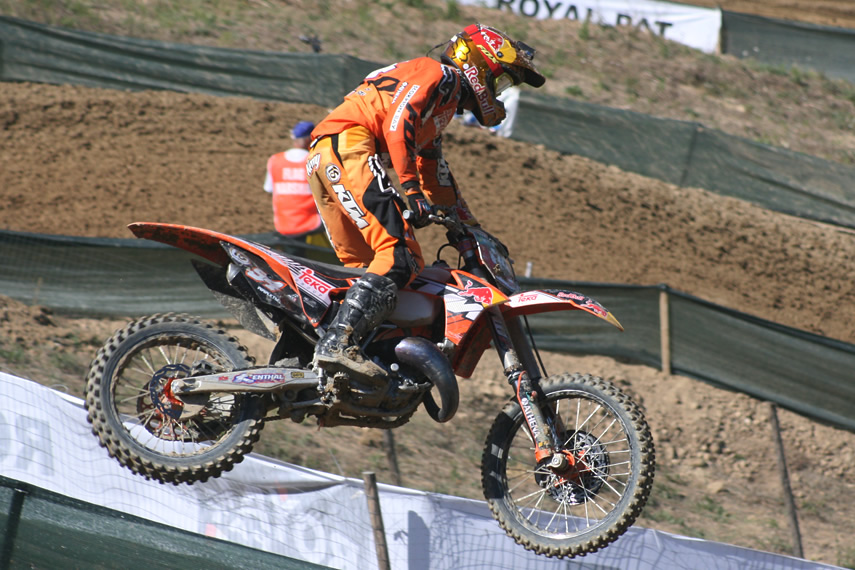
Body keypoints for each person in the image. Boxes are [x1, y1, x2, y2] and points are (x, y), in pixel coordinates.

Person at [306, 24, 545, 376]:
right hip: (349, 145)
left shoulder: (441, 106)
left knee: (366, 268)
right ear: (481, 64)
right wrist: (411, 190)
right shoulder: (438, 74)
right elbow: (397, 124)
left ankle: (332, 357)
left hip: (325, 156)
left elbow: (432, 170)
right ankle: (337, 344)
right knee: (400, 256)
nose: (499, 92)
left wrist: (470, 227)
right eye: (502, 80)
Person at [263, 120, 328, 247]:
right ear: (310, 139)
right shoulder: (315, 160)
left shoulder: (275, 160)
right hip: (312, 225)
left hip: (283, 224)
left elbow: (269, 189)